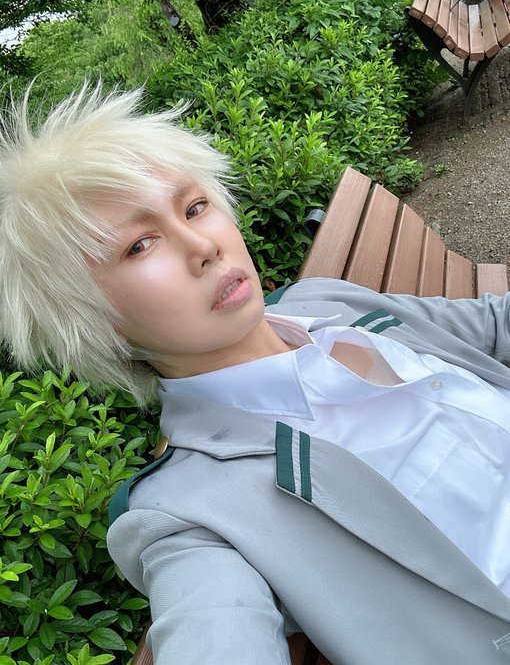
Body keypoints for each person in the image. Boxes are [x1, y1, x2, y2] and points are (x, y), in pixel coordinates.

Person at [1, 84, 510, 665]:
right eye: (139, 245)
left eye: (195, 207)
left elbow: (489, 323)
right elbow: (213, 628)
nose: (203, 245)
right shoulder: (189, 516)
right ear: (92, 323)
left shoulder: (326, 302)